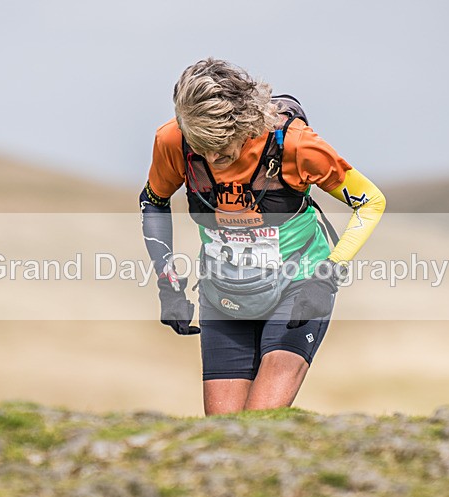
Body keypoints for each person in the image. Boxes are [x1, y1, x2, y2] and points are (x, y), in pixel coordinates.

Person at [140, 58, 385, 415]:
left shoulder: (296, 145)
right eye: (201, 148)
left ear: (246, 125)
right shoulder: (173, 140)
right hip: (223, 294)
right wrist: (167, 281)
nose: (212, 158)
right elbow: (153, 201)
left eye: (223, 151)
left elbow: (371, 202)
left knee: (260, 422)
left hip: (297, 287)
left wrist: (328, 276)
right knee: (224, 434)